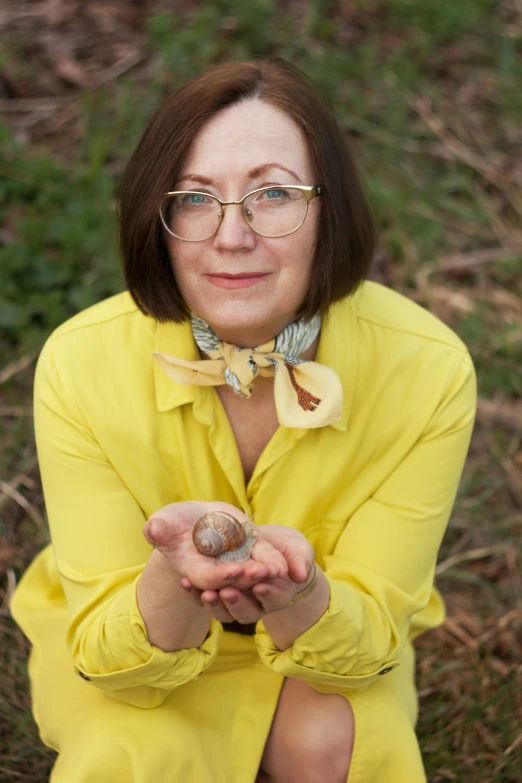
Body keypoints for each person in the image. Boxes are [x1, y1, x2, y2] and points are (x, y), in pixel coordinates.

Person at [10, 58, 476, 783]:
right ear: (157, 223)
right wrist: (172, 574)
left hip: (326, 626)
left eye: (274, 193)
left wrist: (300, 596)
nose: (231, 236)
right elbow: (111, 659)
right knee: (129, 757)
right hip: (147, 624)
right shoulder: (80, 365)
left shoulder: (429, 370)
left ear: (332, 211)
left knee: (338, 751)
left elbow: (371, 628)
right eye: (195, 198)